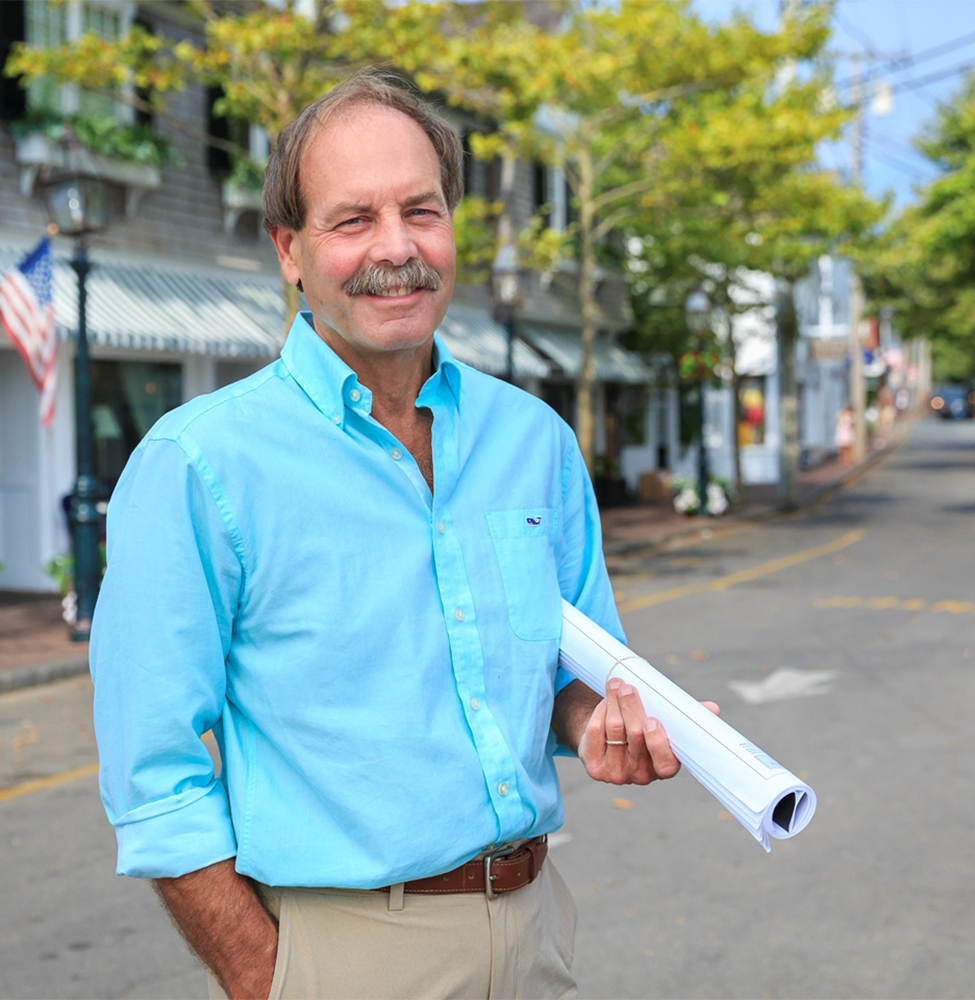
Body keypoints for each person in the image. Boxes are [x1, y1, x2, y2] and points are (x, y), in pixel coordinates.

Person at [90, 69, 711, 1000]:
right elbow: (154, 777)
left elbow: (567, 673)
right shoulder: (199, 465)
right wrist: (270, 979)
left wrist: (605, 726)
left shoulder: (532, 439)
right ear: (289, 250)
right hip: (340, 954)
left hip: (535, 929)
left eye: (421, 210)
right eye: (353, 221)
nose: (398, 249)